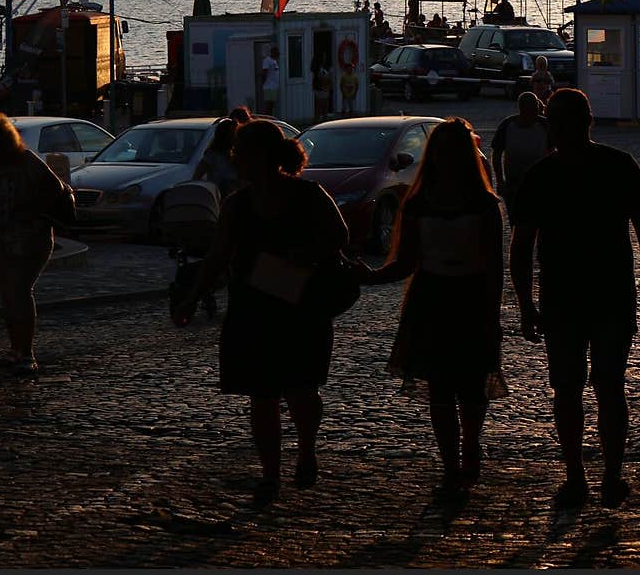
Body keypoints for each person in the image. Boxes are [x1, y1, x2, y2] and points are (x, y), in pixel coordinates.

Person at [510, 89, 640, 508]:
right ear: (590, 121)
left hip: (567, 299)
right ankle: (609, 476)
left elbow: (521, 246)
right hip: (609, 295)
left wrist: (526, 304)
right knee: (607, 388)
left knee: (570, 391)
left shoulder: (541, 176)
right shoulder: (619, 166)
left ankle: (578, 477)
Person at [185, 120, 349, 503]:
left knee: (301, 389)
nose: (235, 158)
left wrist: (302, 255)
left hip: (300, 306)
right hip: (253, 307)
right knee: (262, 395)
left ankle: (306, 450)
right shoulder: (237, 204)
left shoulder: (309, 195)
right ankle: (270, 474)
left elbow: (339, 236)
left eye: (240, 151)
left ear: (260, 156)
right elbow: (218, 255)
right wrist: (193, 295)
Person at [356, 119, 506, 496]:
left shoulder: (485, 204)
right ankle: (451, 461)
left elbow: (494, 267)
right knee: (441, 388)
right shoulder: (420, 204)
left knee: (470, 386)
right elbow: (406, 262)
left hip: (467, 298)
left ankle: (469, 448)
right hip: (434, 299)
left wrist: (493, 312)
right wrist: (370, 277)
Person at [0, 107, 71, 376]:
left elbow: (57, 191)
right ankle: (16, 349)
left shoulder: (26, 161)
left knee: (19, 291)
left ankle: (26, 352)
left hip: (32, 236)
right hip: (2, 237)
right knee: (9, 294)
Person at [490, 92, 550, 219]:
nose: (534, 114)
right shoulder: (507, 125)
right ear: (522, 109)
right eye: (530, 110)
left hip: (541, 184)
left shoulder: (546, 126)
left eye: (535, 110)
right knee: (515, 220)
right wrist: (500, 181)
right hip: (514, 184)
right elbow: (496, 154)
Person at [195, 117, 240, 198]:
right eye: (234, 132)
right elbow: (196, 176)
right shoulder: (213, 155)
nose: (237, 136)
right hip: (218, 197)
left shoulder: (238, 153)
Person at [312, 55, 332, 121]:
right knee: (321, 105)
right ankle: (319, 119)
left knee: (322, 105)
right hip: (320, 89)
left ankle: (321, 119)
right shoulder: (319, 69)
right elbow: (322, 77)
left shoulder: (324, 69)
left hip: (323, 89)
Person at [261, 45, 280, 116]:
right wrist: (263, 83)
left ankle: (270, 117)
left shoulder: (274, 61)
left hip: (273, 86)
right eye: (277, 52)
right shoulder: (267, 60)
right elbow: (264, 72)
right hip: (269, 86)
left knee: (271, 104)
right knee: (268, 104)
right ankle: (267, 118)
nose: (278, 54)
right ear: (273, 52)